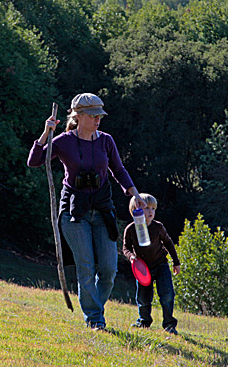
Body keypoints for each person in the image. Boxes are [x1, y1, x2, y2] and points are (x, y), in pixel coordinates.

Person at [27, 93, 146, 331]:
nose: (97, 120)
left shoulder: (106, 141)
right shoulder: (62, 141)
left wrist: (134, 194)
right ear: (78, 116)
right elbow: (35, 161)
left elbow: (119, 170)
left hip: (102, 209)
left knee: (109, 270)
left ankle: (93, 309)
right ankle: (95, 320)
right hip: (74, 212)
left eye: (99, 116)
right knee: (86, 267)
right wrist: (45, 133)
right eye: (92, 116)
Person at [122, 193, 181, 335]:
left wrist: (176, 262)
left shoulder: (158, 227)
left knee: (167, 294)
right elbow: (125, 248)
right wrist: (131, 257)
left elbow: (168, 243)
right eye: (146, 208)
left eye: (153, 209)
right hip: (143, 268)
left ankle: (169, 324)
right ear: (135, 210)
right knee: (143, 296)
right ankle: (144, 321)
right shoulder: (130, 229)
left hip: (161, 265)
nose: (150, 212)